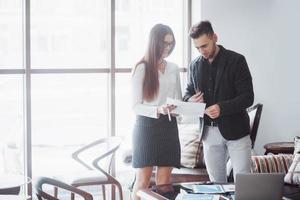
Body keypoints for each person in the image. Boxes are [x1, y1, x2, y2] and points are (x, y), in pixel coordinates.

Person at [183, 20, 254, 183]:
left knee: (244, 183)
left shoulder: (237, 61)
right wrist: (191, 100)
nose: (201, 51)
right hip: (209, 132)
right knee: (216, 183)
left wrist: (222, 108)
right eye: (197, 48)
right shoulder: (194, 66)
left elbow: (248, 97)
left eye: (205, 46)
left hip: (237, 131)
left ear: (215, 37)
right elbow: (187, 93)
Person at [131, 24, 182, 199]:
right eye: (164, 44)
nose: (168, 48)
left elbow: (178, 100)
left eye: (171, 44)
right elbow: (135, 106)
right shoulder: (142, 68)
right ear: (154, 43)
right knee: (142, 182)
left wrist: (187, 104)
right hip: (146, 128)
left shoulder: (174, 68)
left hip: (168, 126)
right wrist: (158, 109)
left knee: (164, 184)